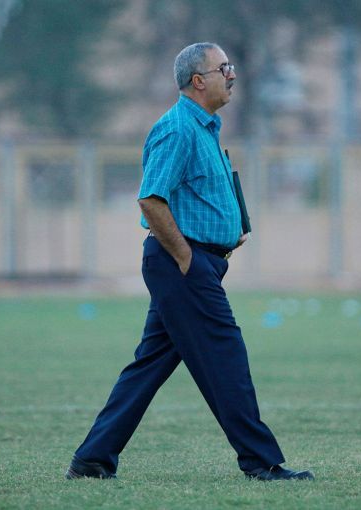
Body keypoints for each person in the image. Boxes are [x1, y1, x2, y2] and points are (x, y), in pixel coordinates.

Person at [67, 42, 313, 481]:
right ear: (198, 81)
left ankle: (92, 459)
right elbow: (150, 199)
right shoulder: (178, 128)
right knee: (226, 359)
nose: (232, 74)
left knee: (148, 367)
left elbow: (194, 196)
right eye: (224, 68)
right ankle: (261, 463)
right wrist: (186, 258)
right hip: (182, 266)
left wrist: (228, 231)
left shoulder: (206, 127)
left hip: (196, 264)